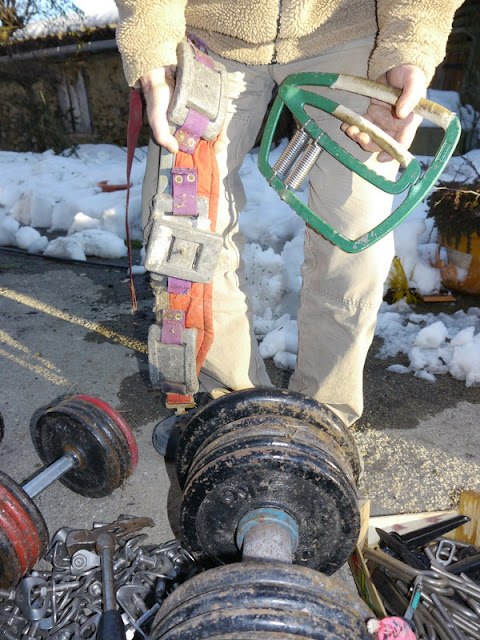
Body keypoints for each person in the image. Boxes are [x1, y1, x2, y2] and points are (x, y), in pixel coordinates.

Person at [114, 0, 463, 427]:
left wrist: (408, 49)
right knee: (181, 231)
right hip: (214, 35)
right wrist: (154, 52)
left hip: (347, 30)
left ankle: (324, 419)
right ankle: (235, 410)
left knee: (356, 235)